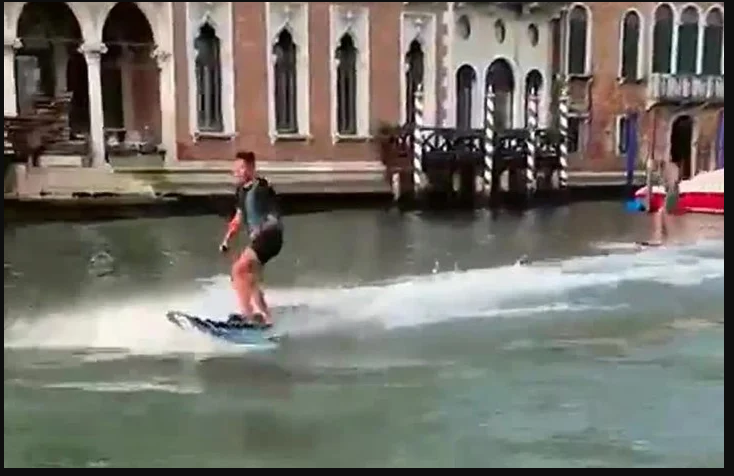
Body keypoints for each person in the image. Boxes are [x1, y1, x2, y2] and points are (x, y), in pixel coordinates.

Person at [219, 151, 284, 328]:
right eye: (236, 169)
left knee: (238, 269)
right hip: (260, 239)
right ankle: (267, 318)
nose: (237, 172)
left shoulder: (262, 187)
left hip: (270, 236)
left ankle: (247, 316)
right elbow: (238, 218)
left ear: (251, 168)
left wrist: (267, 225)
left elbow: (272, 206)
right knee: (250, 278)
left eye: (241, 168)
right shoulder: (241, 191)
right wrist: (227, 240)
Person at [649, 160, 680, 245]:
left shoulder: (668, 170)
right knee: (663, 213)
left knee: (662, 213)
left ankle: (663, 236)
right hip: (673, 192)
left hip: (672, 192)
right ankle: (665, 236)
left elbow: (672, 184)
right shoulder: (670, 169)